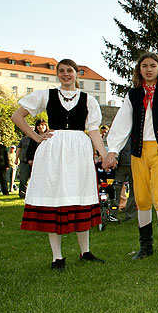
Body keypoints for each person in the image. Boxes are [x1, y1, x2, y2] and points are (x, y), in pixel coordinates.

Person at [10, 59, 106, 270]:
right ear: (57, 74)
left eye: (69, 70)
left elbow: (93, 130)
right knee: (55, 197)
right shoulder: (46, 95)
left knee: (81, 195)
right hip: (53, 152)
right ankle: (57, 257)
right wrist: (36, 137)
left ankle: (86, 251)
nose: (65, 74)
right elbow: (17, 116)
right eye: (61, 71)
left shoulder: (88, 99)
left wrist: (104, 153)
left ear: (76, 73)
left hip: (79, 150)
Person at [103, 52, 158, 266]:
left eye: (153, 65)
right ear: (139, 70)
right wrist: (112, 150)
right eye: (144, 66)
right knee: (141, 198)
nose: (149, 69)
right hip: (138, 151)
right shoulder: (133, 95)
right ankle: (146, 246)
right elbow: (122, 123)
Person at [17, 119, 46, 198]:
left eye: (43, 125)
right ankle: (23, 194)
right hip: (30, 161)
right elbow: (30, 149)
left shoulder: (50, 136)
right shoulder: (32, 138)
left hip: (44, 162)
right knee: (24, 178)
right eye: (39, 125)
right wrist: (30, 160)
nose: (41, 127)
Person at [111, 139, 137, 221]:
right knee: (116, 190)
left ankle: (127, 214)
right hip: (123, 165)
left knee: (132, 191)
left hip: (131, 164)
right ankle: (114, 213)